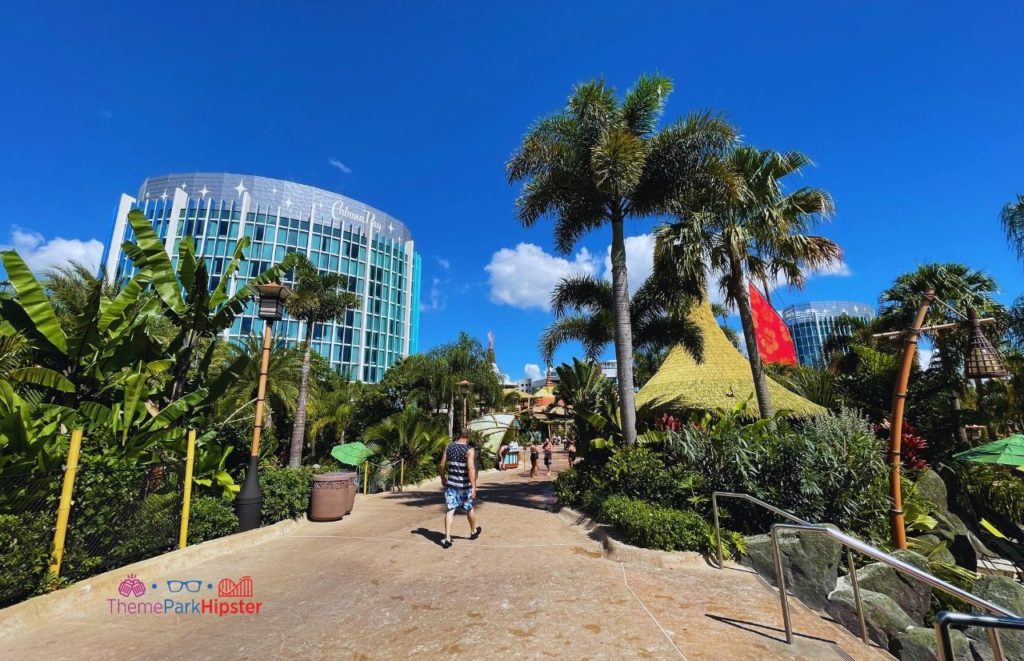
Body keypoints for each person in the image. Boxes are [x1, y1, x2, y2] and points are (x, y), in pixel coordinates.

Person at [438, 427, 481, 549]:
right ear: (468, 436)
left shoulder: (449, 447)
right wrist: (474, 487)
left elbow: (441, 464)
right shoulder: (469, 450)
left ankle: (447, 538)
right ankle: (473, 531)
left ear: (458, 435)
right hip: (464, 486)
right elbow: (470, 469)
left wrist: (442, 477)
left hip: (451, 484)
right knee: (469, 507)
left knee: (450, 510)